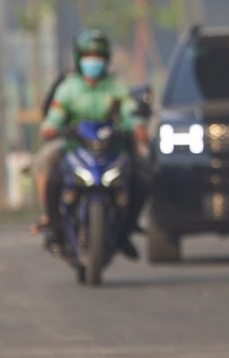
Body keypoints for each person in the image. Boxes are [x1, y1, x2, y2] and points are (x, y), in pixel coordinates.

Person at [35, 27, 146, 258]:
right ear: (79, 58)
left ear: (105, 59)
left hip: (110, 149)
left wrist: (136, 126)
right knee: (50, 171)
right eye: (88, 56)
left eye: (97, 56)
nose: (92, 61)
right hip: (75, 147)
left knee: (142, 175)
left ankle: (126, 230)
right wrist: (50, 126)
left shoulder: (115, 87)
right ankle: (54, 225)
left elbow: (128, 111)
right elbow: (55, 115)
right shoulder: (68, 88)